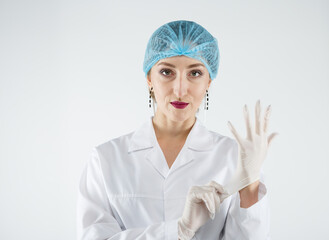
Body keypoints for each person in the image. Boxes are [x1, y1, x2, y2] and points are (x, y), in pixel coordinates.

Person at [76, 20, 278, 240]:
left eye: (195, 73)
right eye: (166, 72)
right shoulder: (105, 160)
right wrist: (179, 230)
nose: (180, 90)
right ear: (148, 78)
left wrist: (249, 187)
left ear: (209, 81)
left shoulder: (234, 158)